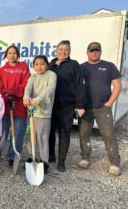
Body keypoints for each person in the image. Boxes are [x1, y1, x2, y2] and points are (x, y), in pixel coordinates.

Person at [77, 42, 122, 176]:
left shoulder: (109, 66)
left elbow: (117, 86)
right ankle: (85, 158)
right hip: (85, 108)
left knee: (108, 135)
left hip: (103, 107)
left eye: (97, 51)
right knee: (83, 134)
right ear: (87, 53)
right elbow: (76, 86)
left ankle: (114, 163)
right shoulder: (81, 67)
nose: (94, 53)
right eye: (92, 51)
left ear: (100, 52)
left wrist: (109, 103)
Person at [0, 45, 30, 166]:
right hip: (4, 105)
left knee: (18, 133)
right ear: (6, 55)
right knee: (1, 132)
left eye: (14, 53)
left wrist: (14, 91)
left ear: (18, 54)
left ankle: (13, 155)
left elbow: (26, 84)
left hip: (19, 105)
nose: (12, 55)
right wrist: (5, 95)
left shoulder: (24, 68)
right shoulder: (2, 70)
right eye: (9, 53)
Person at [48, 40, 85, 172]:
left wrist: (79, 104)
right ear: (56, 51)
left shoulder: (74, 65)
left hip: (66, 106)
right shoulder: (50, 65)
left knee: (64, 132)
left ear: (69, 52)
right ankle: (51, 155)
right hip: (50, 105)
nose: (63, 52)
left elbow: (80, 84)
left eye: (66, 50)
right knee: (50, 131)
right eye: (61, 49)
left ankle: (61, 161)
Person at [23, 55, 57, 174]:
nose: (39, 66)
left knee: (42, 138)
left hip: (44, 112)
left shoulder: (51, 75)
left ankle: (44, 161)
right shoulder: (33, 77)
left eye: (42, 64)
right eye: (36, 64)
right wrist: (26, 97)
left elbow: (50, 89)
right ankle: (31, 157)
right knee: (29, 136)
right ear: (34, 66)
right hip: (32, 111)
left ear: (47, 64)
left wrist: (38, 99)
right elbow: (27, 89)